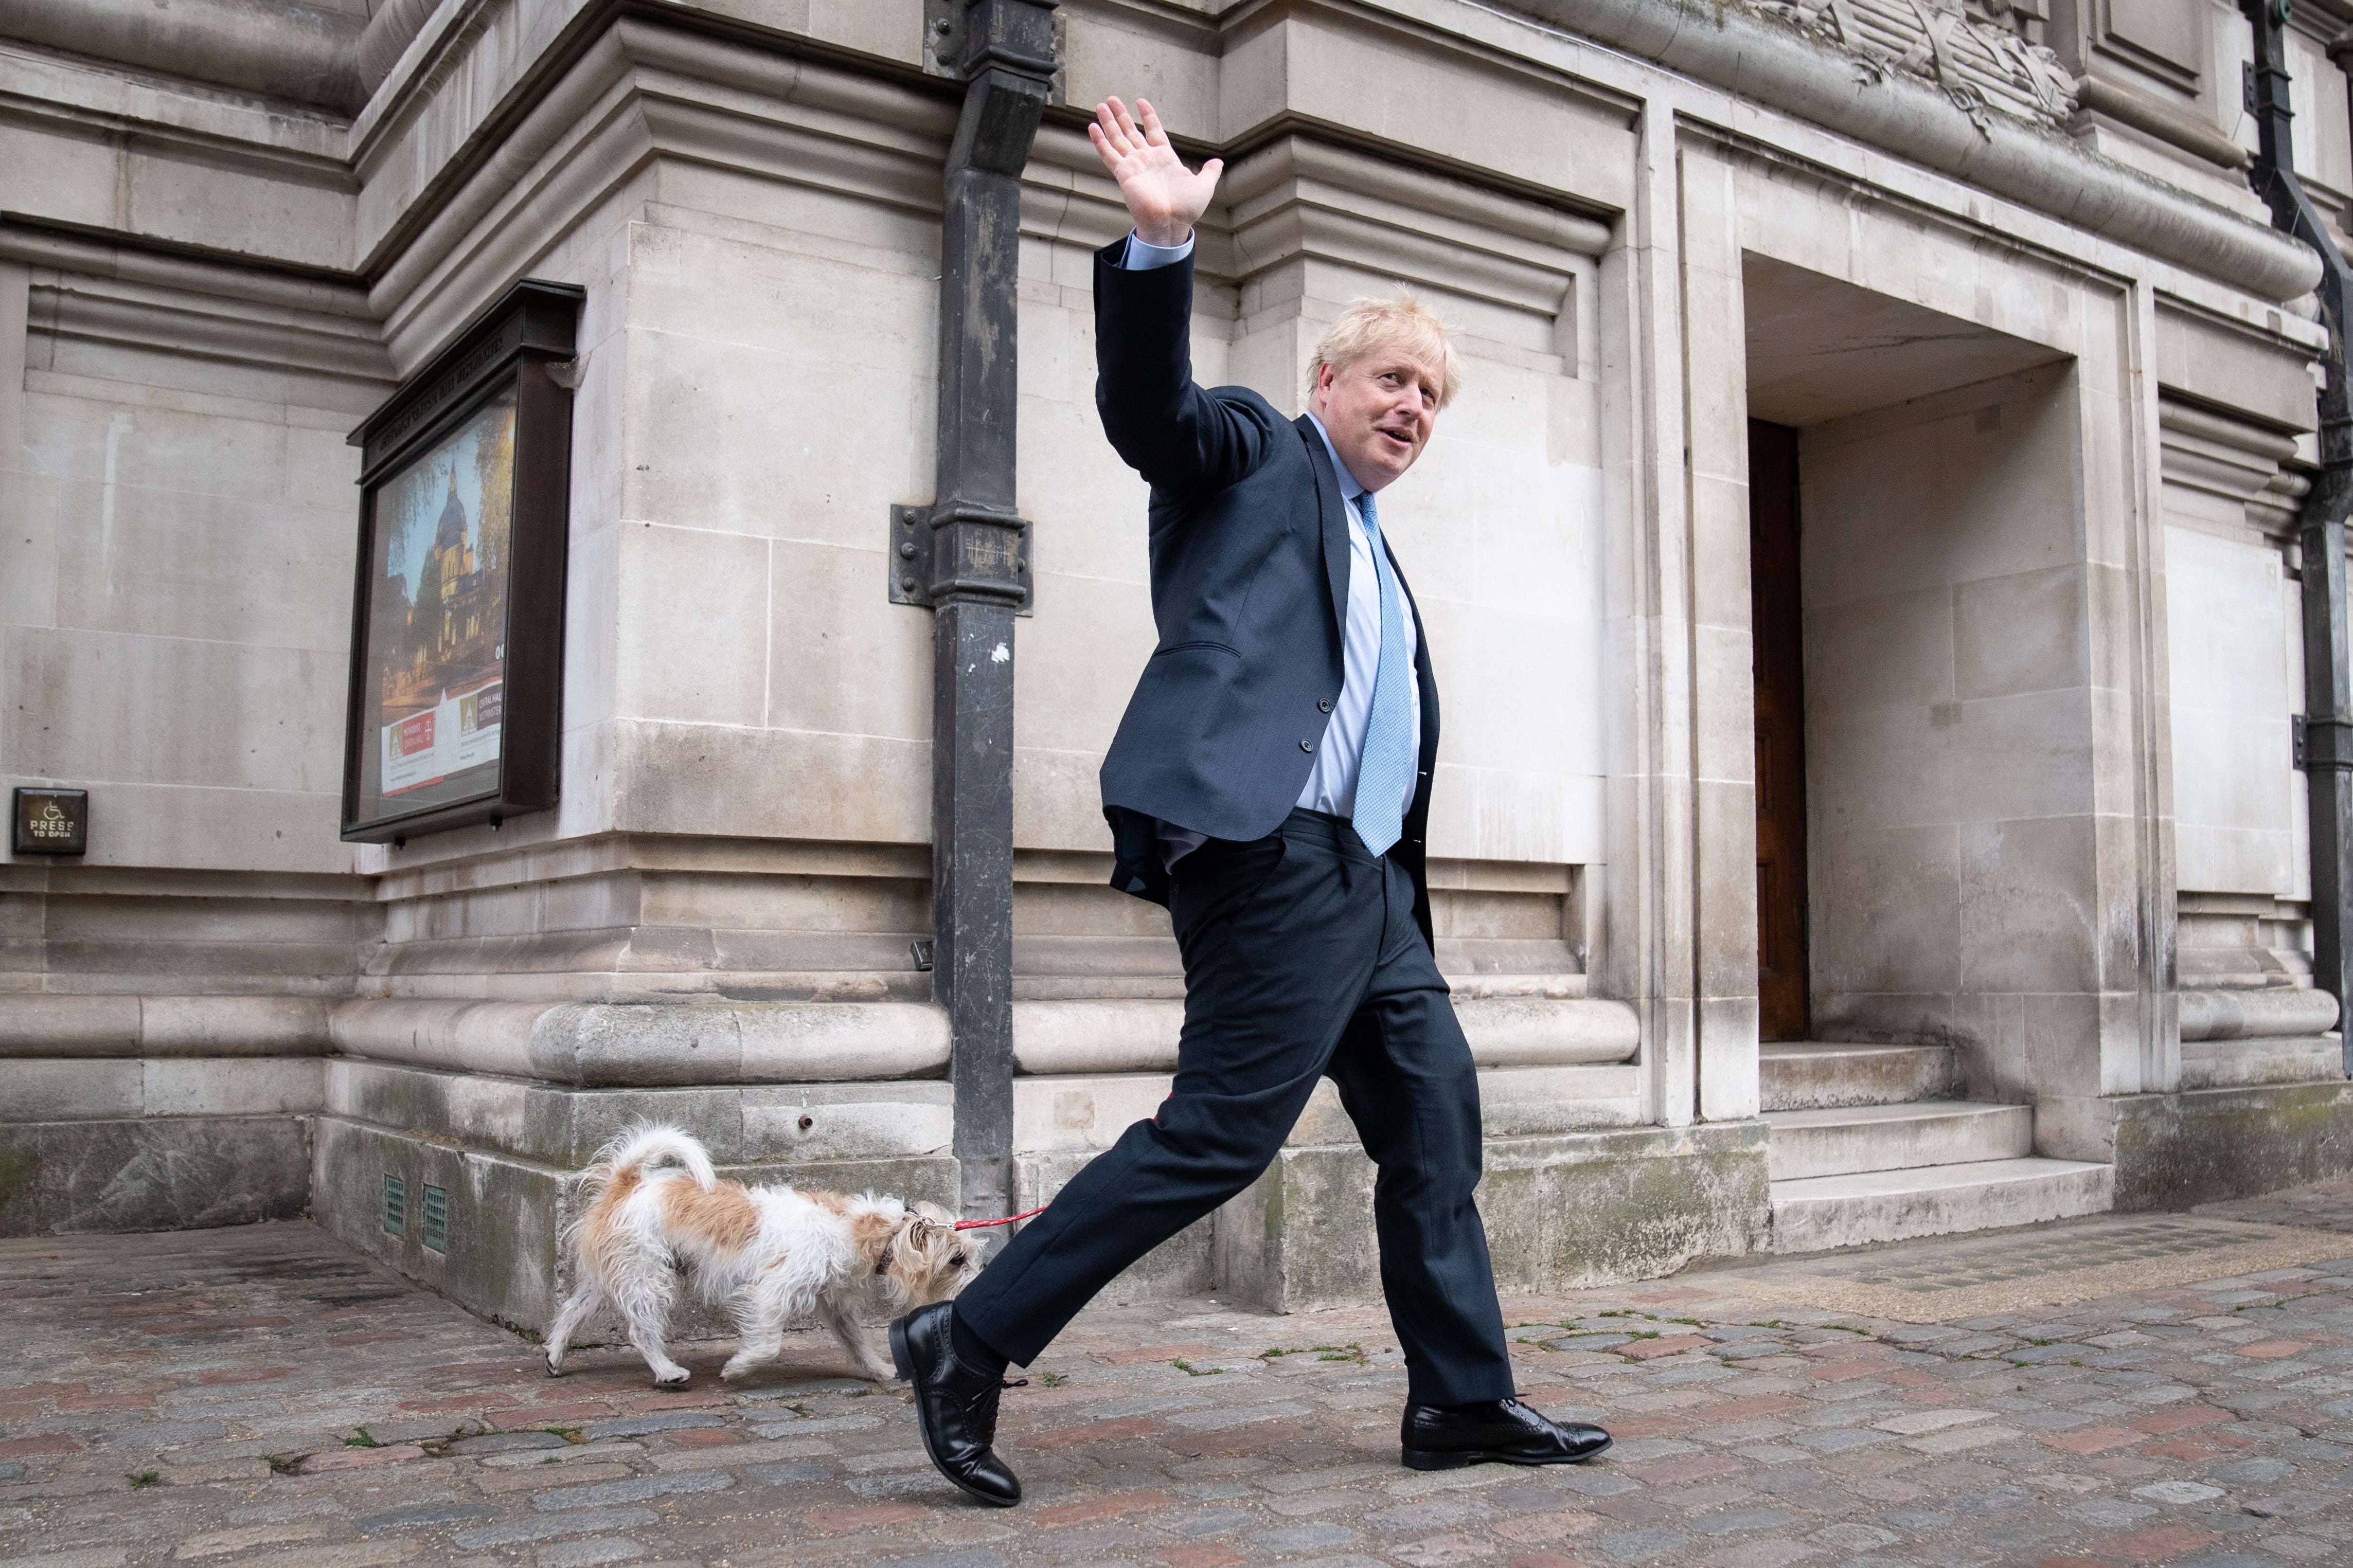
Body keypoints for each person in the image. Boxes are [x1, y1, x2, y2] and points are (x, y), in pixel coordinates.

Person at [889, 94, 1612, 1508]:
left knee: (1435, 1122)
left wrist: (1397, 885)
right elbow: (1152, 415)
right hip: (1269, 850)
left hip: (1369, 883)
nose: (1408, 407)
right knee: (1219, 1133)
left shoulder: (1379, 549)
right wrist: (1159, 252)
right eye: (1388, 379)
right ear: (1328, 382)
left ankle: (1461, 1398)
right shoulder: (1256, 458)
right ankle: (965, 1336)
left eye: (1430, 396)